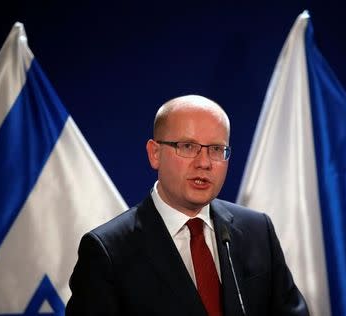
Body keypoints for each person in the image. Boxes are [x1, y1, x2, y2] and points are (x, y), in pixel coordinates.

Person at [66, 95, 309, 315]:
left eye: (216, 149)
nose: (204, 163)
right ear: (155, 154)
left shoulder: (257, 231)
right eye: (188, 146)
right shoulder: (107, 251)